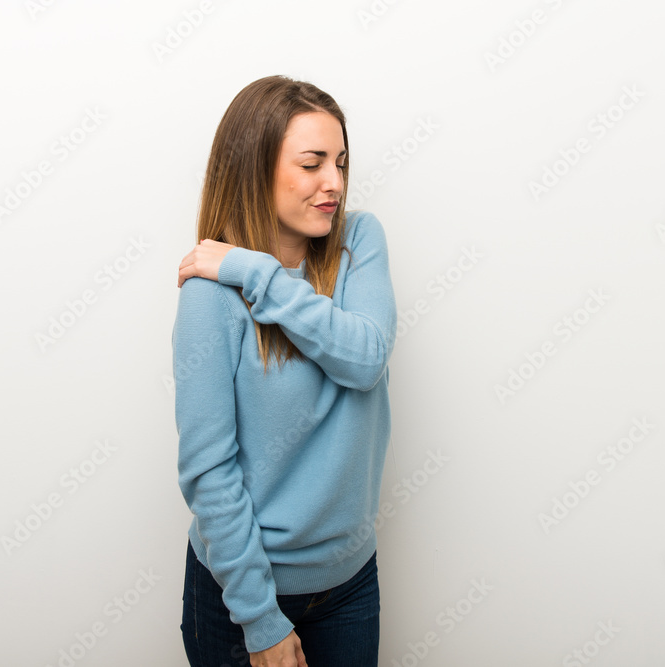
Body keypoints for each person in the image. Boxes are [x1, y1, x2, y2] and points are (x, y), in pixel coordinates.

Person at [173, 74, 397, 667]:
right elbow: (209, 472)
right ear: (254, 168)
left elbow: (366, 357)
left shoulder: (359, 243)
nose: (335, 184)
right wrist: (261, 621)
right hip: (241, 596)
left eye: (341, 163)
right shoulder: (209, 298)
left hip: (350, 581)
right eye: (312, 163)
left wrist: (255, 271)